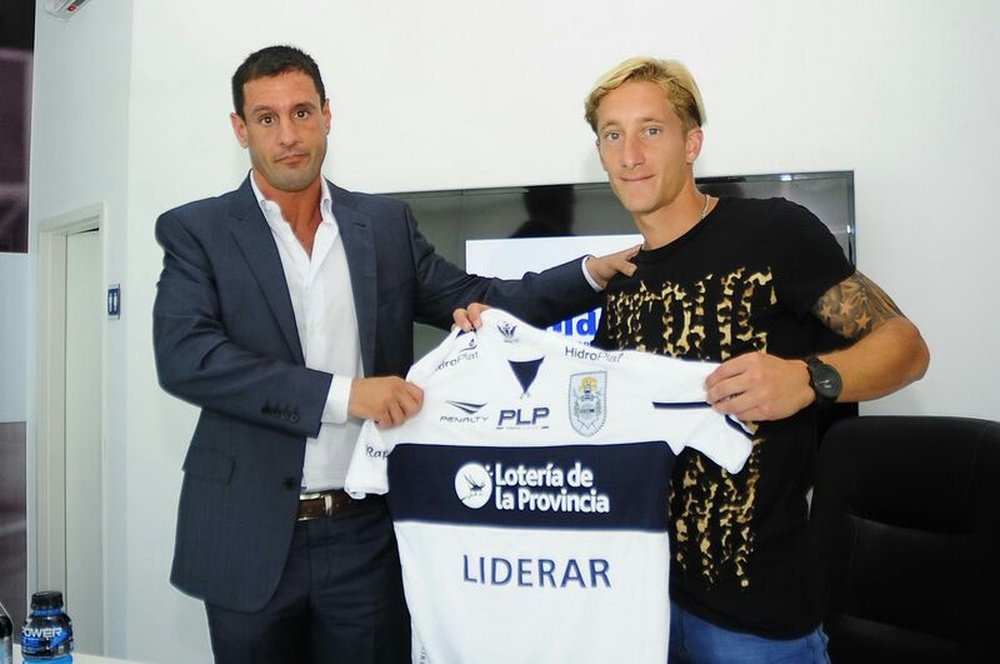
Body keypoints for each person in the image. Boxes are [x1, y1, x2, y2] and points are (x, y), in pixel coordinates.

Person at [152, 44, 634, 664]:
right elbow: (186, 356)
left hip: (365, 531)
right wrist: (348, 394)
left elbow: (480, 301)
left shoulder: (381, 225)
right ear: (240, 129)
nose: (289, 135)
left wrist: (590, 273)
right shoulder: (198, 230)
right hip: (245, 532)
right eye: (267, 119)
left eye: (302, 113)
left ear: (328, 115)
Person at [581, 57, 929, 662]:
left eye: (651, 130)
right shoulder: (624, 285)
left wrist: (809, 377)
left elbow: (907, 347)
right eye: (613, 134)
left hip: (756, 620)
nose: (630, 153)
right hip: (638, 604)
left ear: (692, 143)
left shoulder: (773, 232)